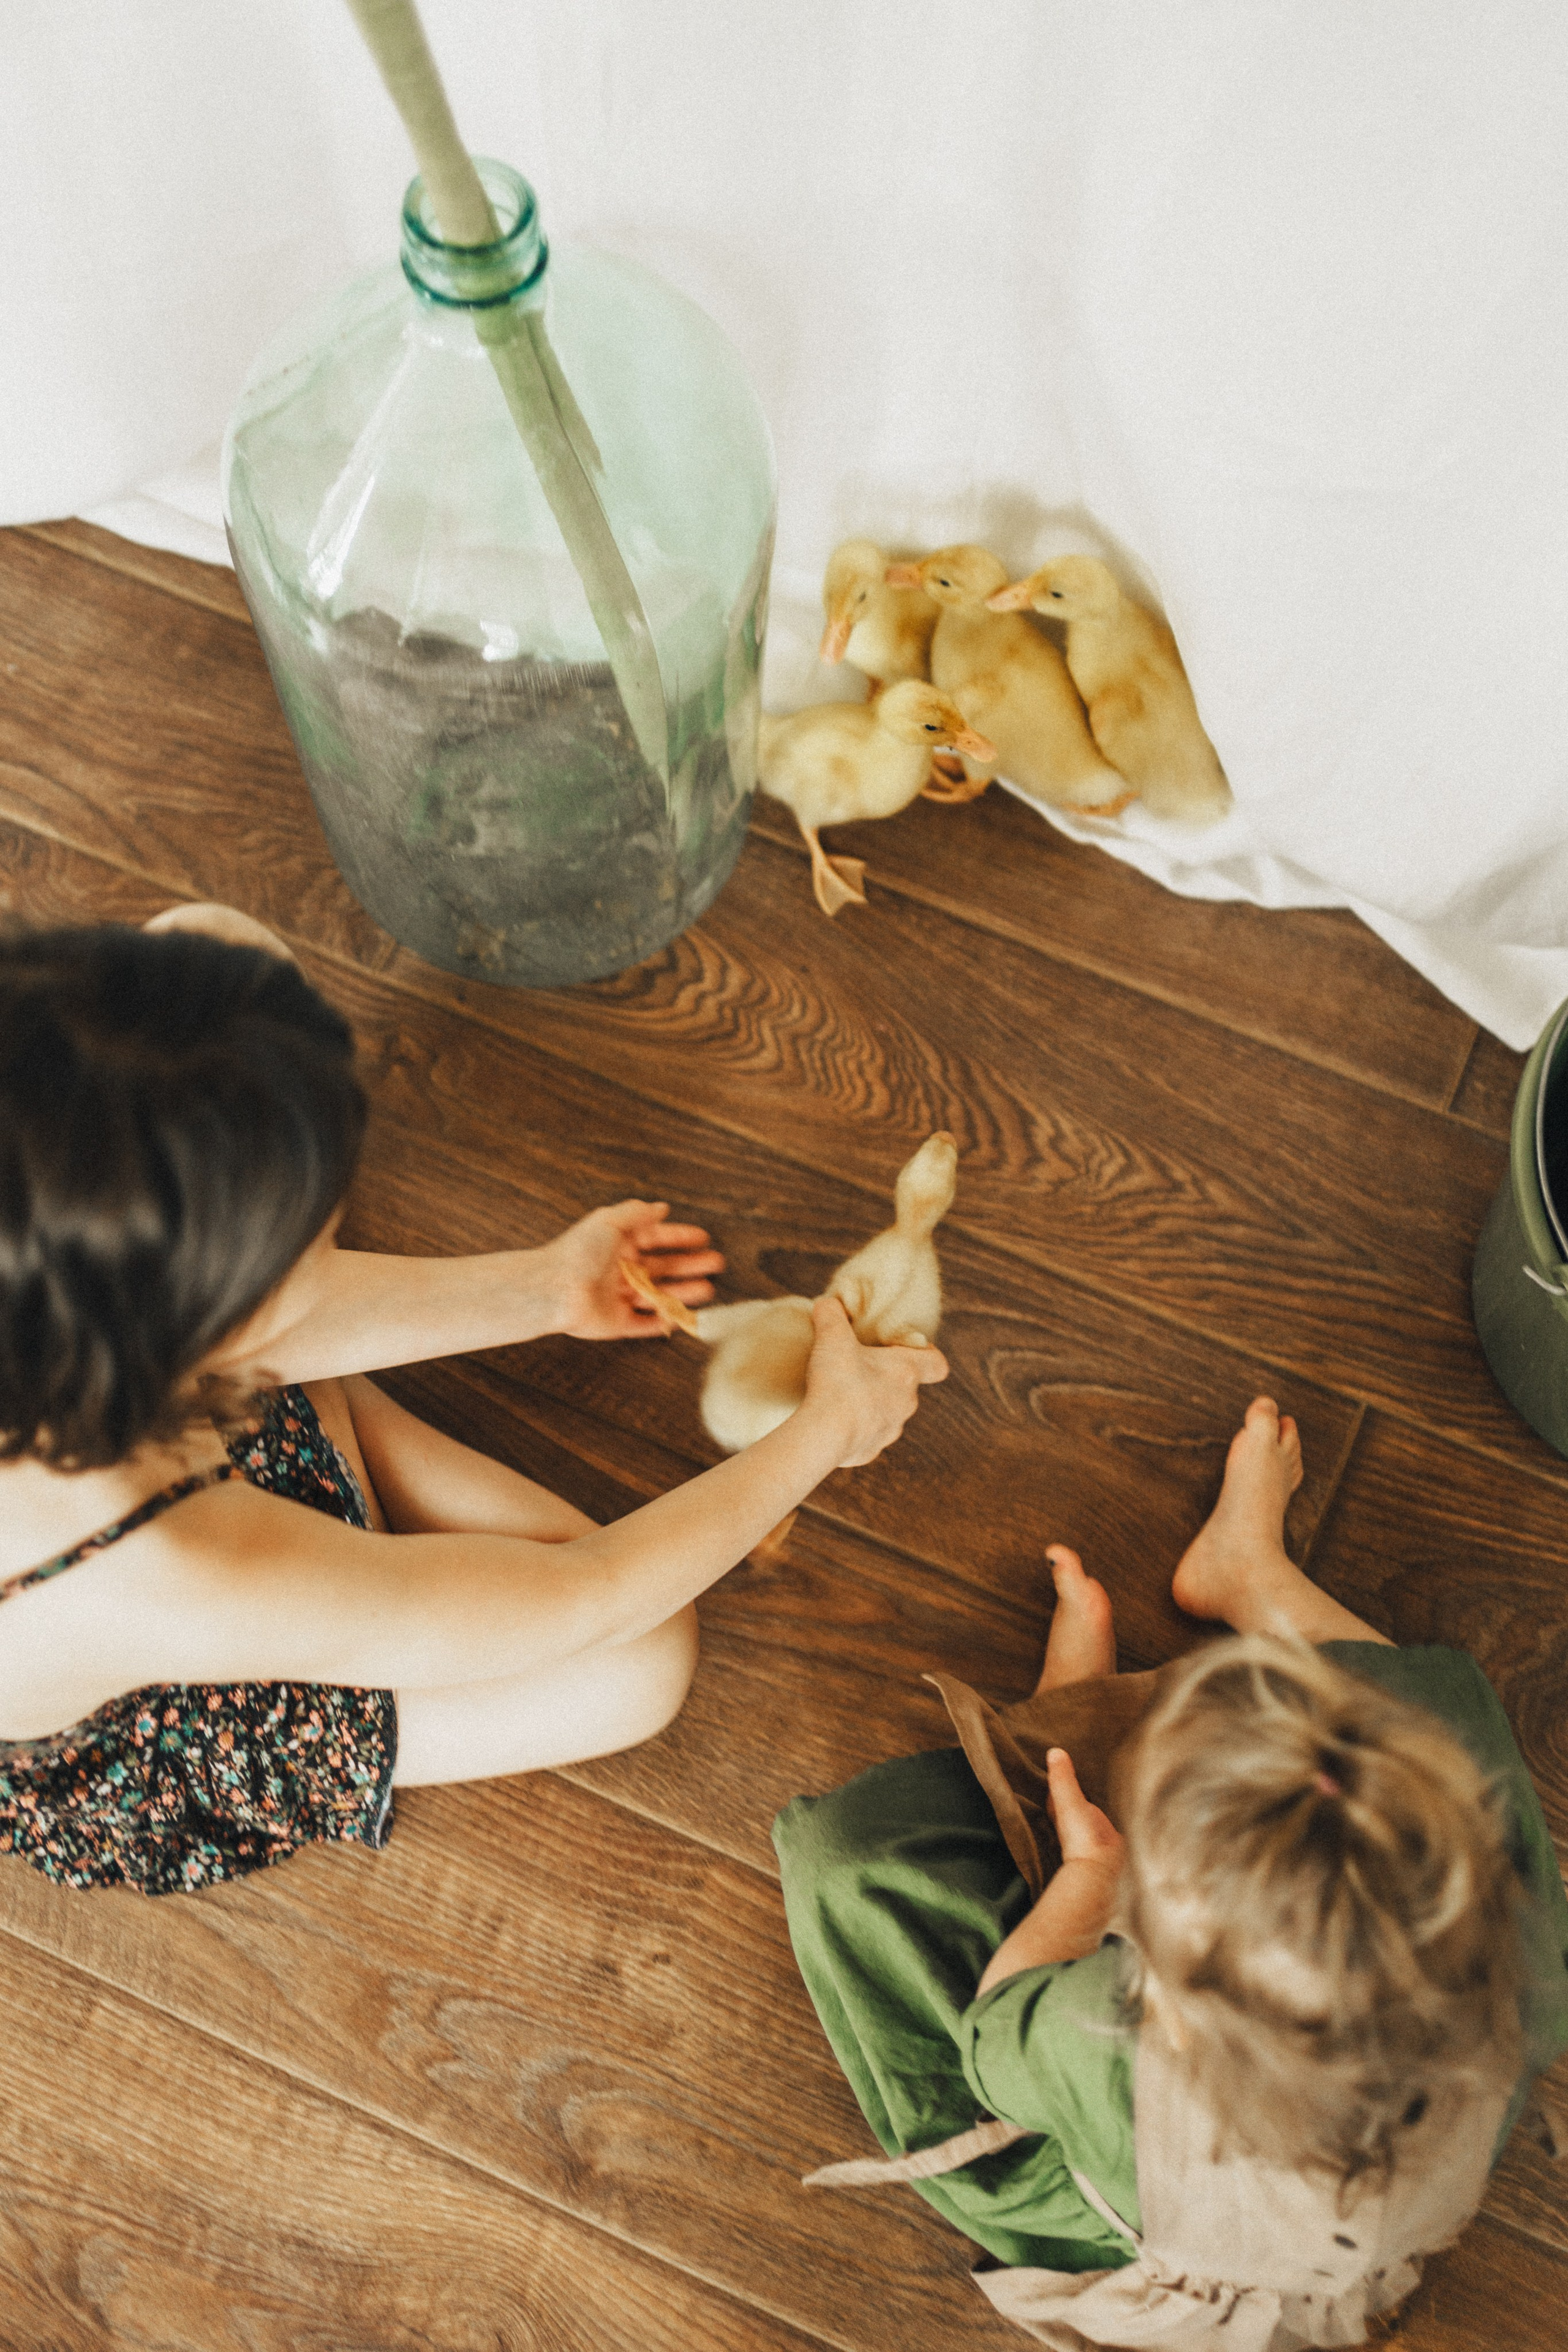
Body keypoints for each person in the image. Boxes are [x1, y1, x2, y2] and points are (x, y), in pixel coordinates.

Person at [0, 907, 946, 1898]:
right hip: (157, 1682)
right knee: (644, 1662)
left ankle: (335, 1437)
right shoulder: (165, 1568)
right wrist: (824, 1432)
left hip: (146, 1451)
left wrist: (542, 1289)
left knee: (222, 951)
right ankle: (338, 1449)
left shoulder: (68, 1305)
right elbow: (593, 1595)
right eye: (303, 1253)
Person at [775, 1397, 1568, 2349]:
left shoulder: (1115, 2046)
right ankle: (1248, 1579)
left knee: (847, 1865)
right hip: (1375, 2189)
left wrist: (1083, 1883)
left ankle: (1068, 1727)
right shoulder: (1528, 1958)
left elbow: (997, 2041)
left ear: (1165, 1979)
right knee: (1443, 1710)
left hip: (1161, 2222)